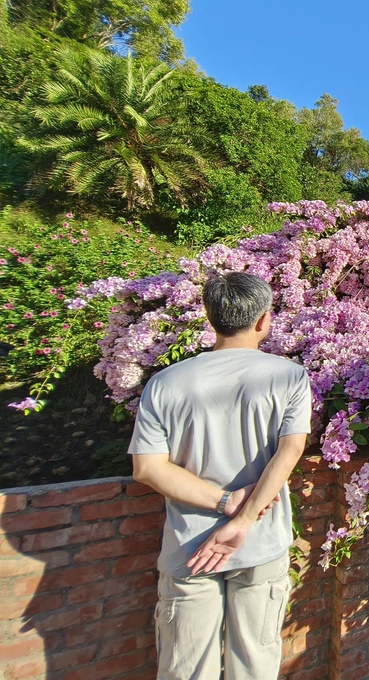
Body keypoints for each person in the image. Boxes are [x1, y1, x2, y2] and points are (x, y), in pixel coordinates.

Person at [130, 272, 312, 680]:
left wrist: (221, 501)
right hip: (261, 542)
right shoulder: (289, 376)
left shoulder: (164, 383)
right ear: (264, 320)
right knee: (255, 664)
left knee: (185, 669)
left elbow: (147, 468)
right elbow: (290, 450)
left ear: (209, 317)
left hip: (190, 547)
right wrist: (243, 519)